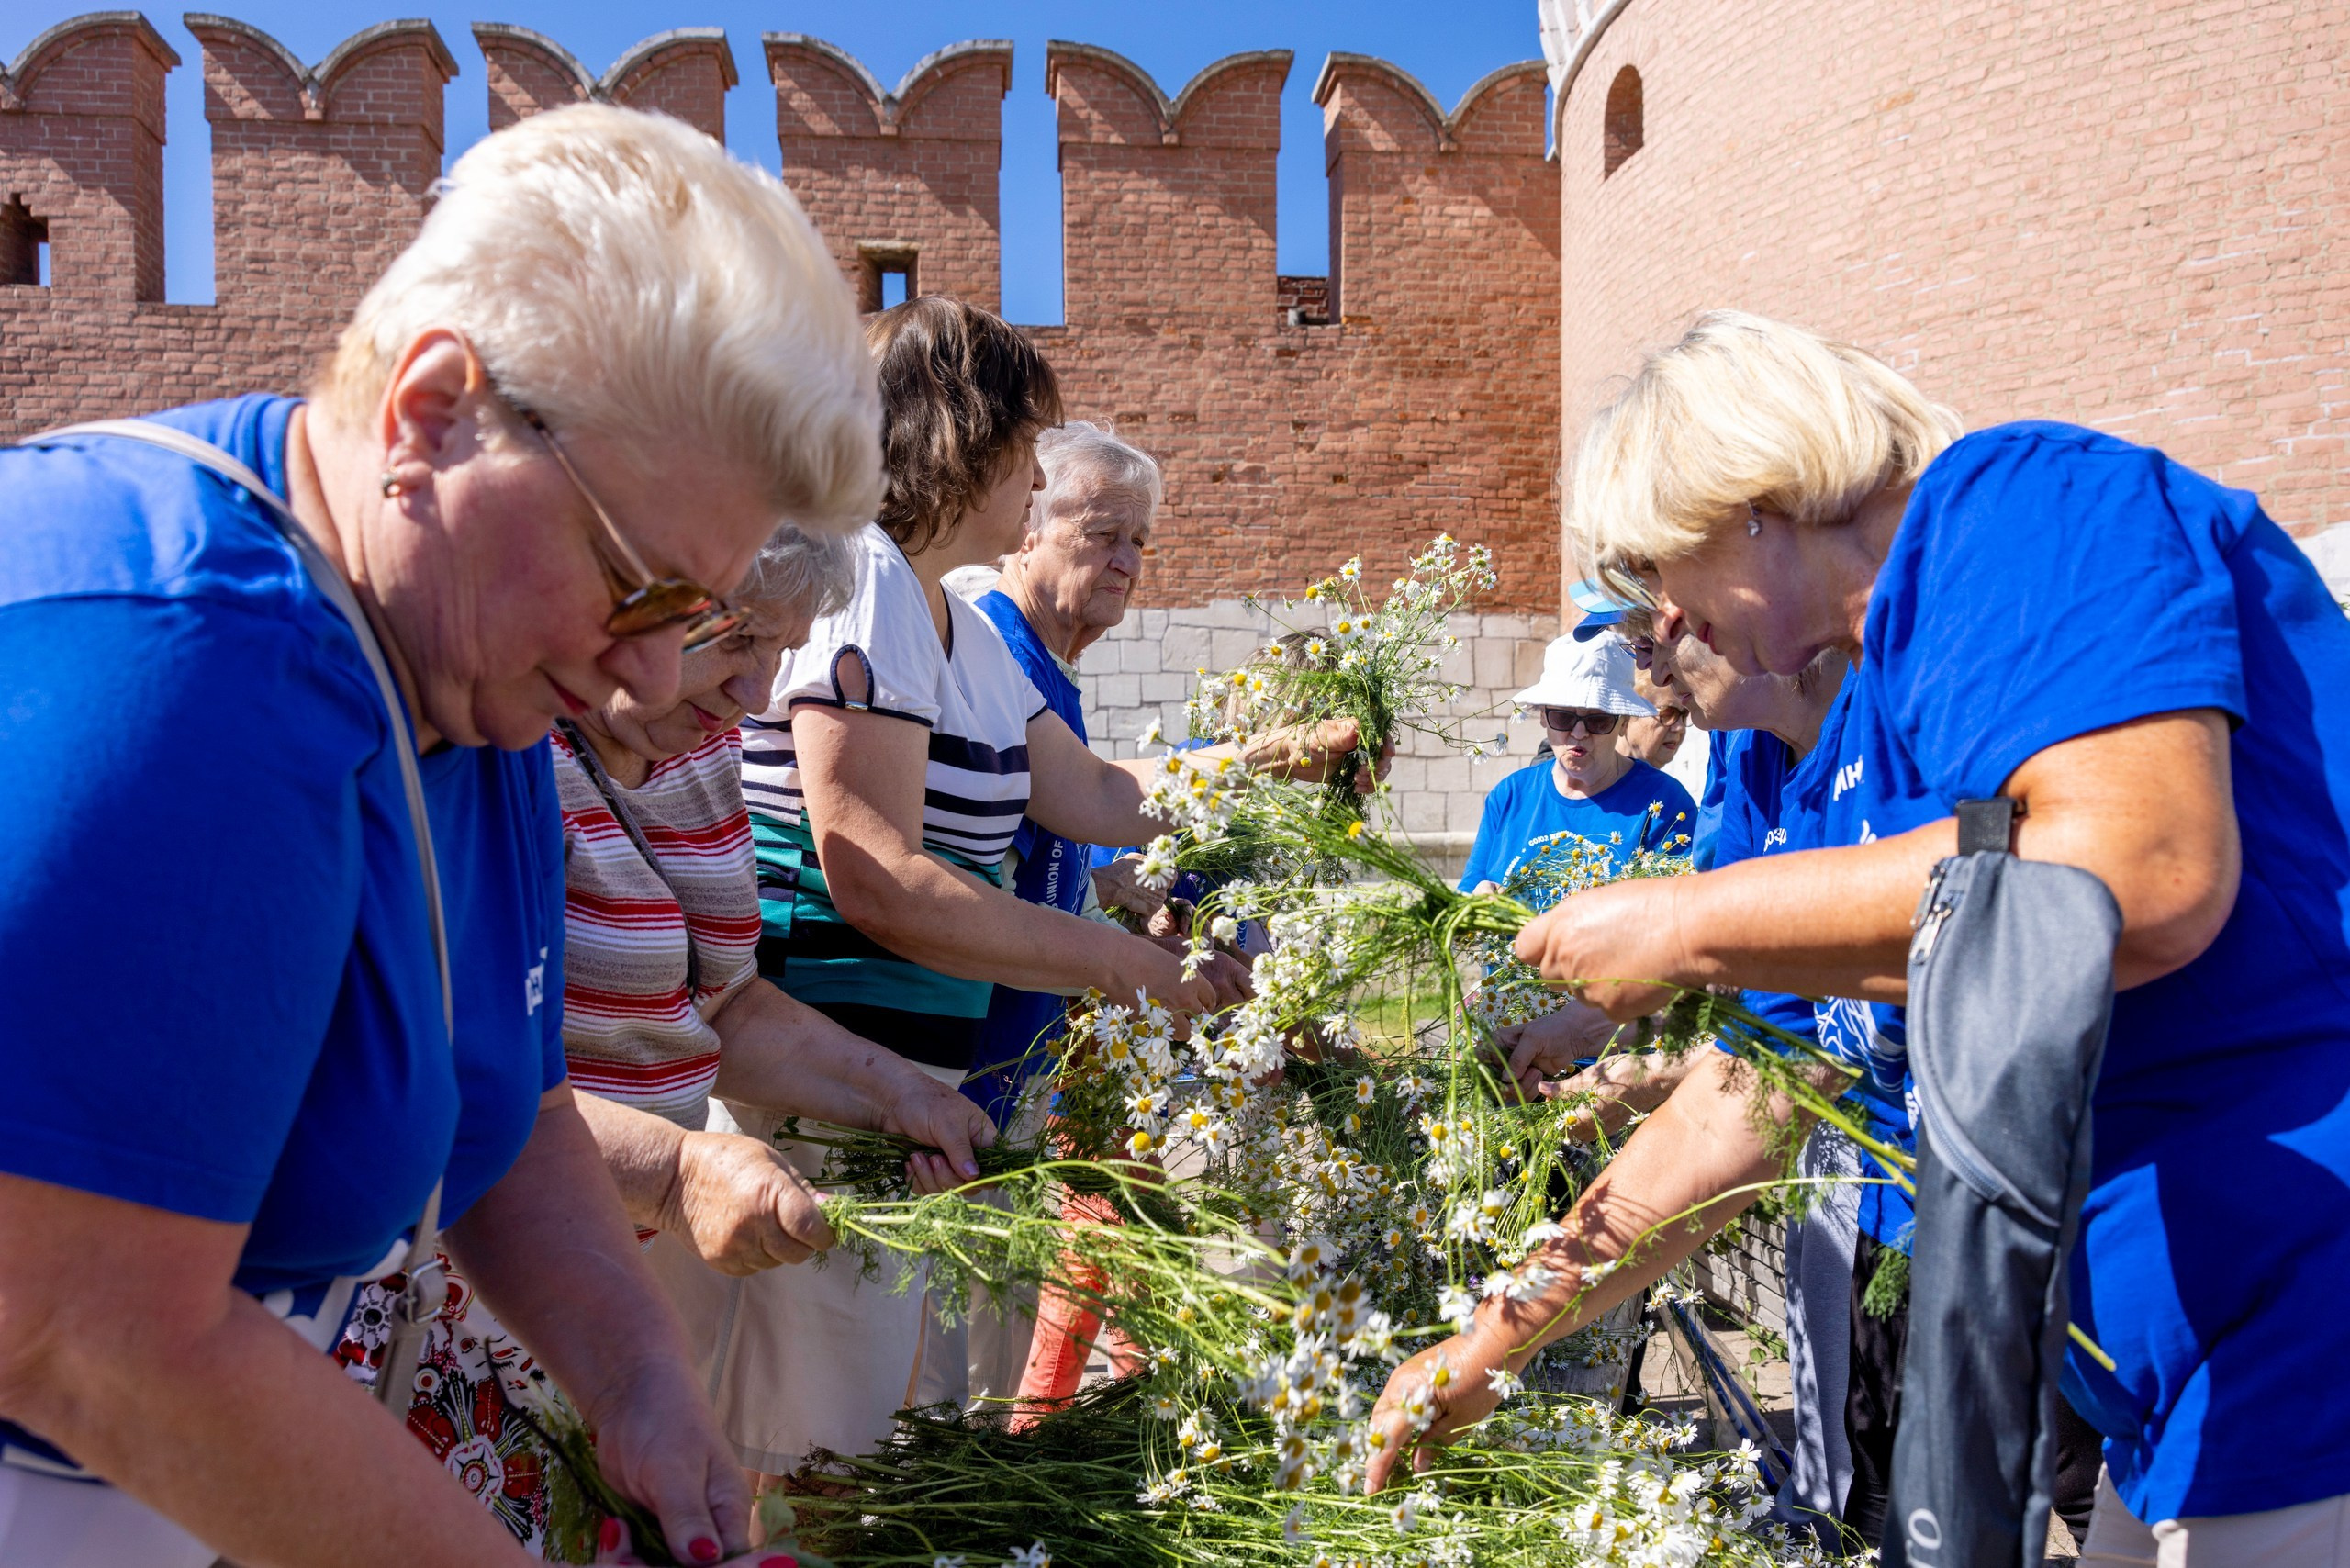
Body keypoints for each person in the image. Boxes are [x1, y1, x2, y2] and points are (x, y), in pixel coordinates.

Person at [0, 105, 875, 1568]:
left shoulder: (469, 698)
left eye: (697, 620)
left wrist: (642, 1378)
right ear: (431, 413)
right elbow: (89, 1337)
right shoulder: (184, 672)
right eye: (641, 589)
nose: (656, 679)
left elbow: (508, 1114)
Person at [1380, 310, 2350, 1566]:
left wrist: (1683, 927)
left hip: (2302, 1317)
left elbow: (2136, 869)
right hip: (2180, 1383)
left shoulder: (2017, 507)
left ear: (1751, 504)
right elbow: (1753, 1098)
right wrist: (1492, 1339)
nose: (1661, 623)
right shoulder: (1822, 751)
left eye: (1655, 573)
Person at [733, 295, 1365, 1472]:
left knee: (872, 1435)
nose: (1033, 481)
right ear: (962, 437)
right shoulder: (867, 579)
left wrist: (1281, 759)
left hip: (894, 1095)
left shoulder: (953, 630)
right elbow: (870, 872)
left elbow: (1100, 795)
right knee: (815, 1449)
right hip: (818, 1097)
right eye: (1026, 448)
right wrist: (1132, 967)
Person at [1458, 631, 1696, 895]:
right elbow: (1466, 895)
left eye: (1598, 721)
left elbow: (1675, 913)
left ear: (1623, 722)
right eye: (1563, 717)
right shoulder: (1509, 796)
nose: (1579, 733)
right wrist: (1475, 900)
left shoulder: (1664, 804)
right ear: (1543, 717)